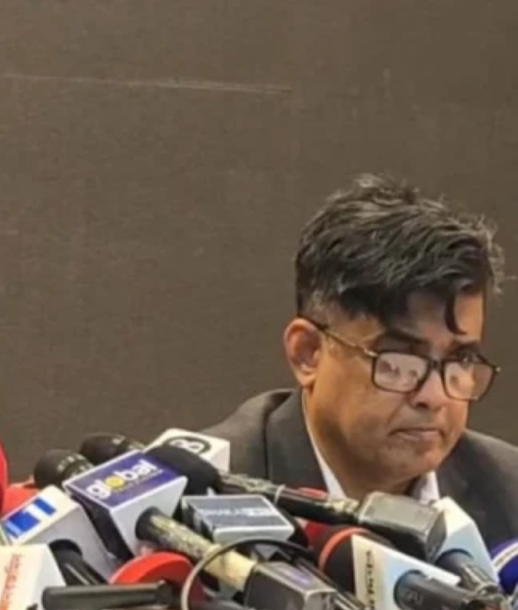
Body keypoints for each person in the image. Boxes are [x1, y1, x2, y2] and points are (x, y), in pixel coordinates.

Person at [205, 174, 518, 545]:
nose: (434, 397)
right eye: (399, 361)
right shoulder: (205, 499)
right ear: (308, 353)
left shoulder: (508, 493)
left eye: (460, 358)